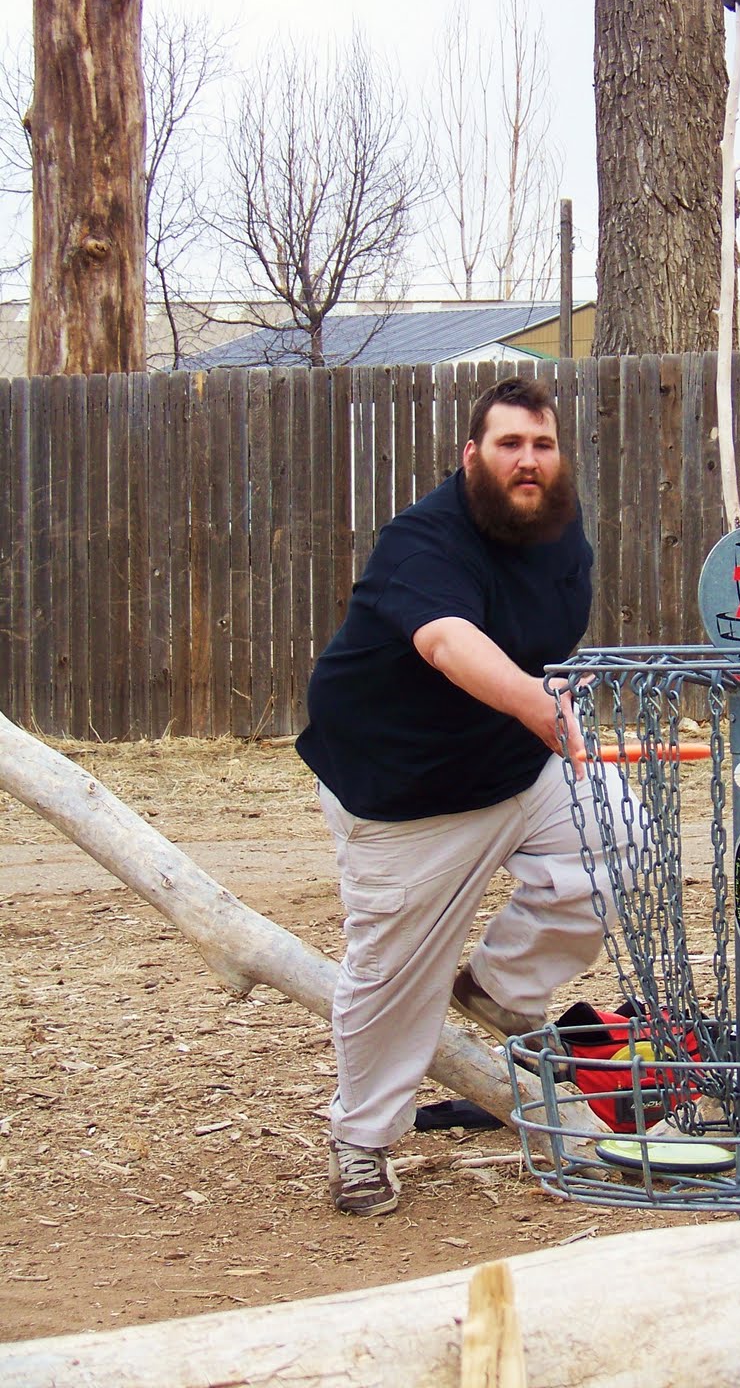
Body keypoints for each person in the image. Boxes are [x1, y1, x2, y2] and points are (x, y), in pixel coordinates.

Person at [296, 376, 608, 1216]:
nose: (529, 461)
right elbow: (447, 641)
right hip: (404, 796)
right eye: (509, 445)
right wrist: (541, 708)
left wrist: (547, 712)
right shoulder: (423, 541)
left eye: (542, 445)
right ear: (471, 456)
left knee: (620, 837)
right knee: (393, 979)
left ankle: (502, 986)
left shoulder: (556, 526)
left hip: (510, 763)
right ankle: (360, 1144)